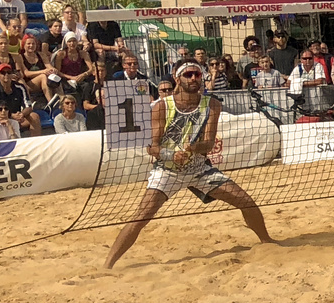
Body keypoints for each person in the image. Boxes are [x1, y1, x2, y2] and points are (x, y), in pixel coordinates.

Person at [104, 59, 275, 268]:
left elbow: (209, 143)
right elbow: (151, 147)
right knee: (141, 216)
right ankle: (108, 265)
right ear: (178, 78)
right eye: (188, 75)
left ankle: (267, 243)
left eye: (197, 74)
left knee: (246, 202)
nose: (194, 78)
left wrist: (194, 148)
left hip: (198, 169)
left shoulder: (211, 104)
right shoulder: (162, 107)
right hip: (168, 170)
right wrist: (171, 155)